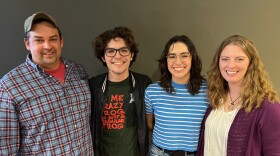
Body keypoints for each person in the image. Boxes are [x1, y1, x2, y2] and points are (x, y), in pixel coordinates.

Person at [0, 12, 93, 155]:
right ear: (27, 44)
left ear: (61, 41)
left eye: (53, 39)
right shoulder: (10, 86)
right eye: (39, 40)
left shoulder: (77, 71)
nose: (47, 46)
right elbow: (5, 148)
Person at [197, 35, 280, 156]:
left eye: (239, 59)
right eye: (225, 59)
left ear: (251, 63)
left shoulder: (268, 108)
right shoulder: (215, 98)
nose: (231, 65)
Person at [89, 26, 152, 156]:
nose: (117, 56)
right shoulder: (93, 86)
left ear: (131, 55)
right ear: (103, 57)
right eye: (111, 51)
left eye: (123, 50)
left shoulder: (143, 84)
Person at [145, 35, 209, 156]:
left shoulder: (208, 91)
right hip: (159, 153)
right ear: (166, 60)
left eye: (184, 55)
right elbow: (150, 124)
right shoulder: (152, 91)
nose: (177, 62)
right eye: (172, 56)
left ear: (193, 59)